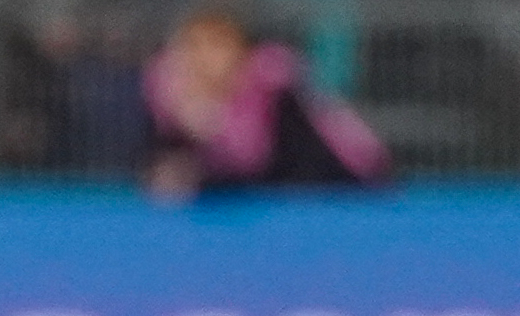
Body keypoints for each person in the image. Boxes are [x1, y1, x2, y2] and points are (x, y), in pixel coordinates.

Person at [139, 10, 392, 200]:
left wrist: (206, 129)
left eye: (218, 44)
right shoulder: (169, 84)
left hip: (347, 179)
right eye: (195, 45)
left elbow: (252, 160)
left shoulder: (270, 79)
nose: (206, 57)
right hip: (277, 190)